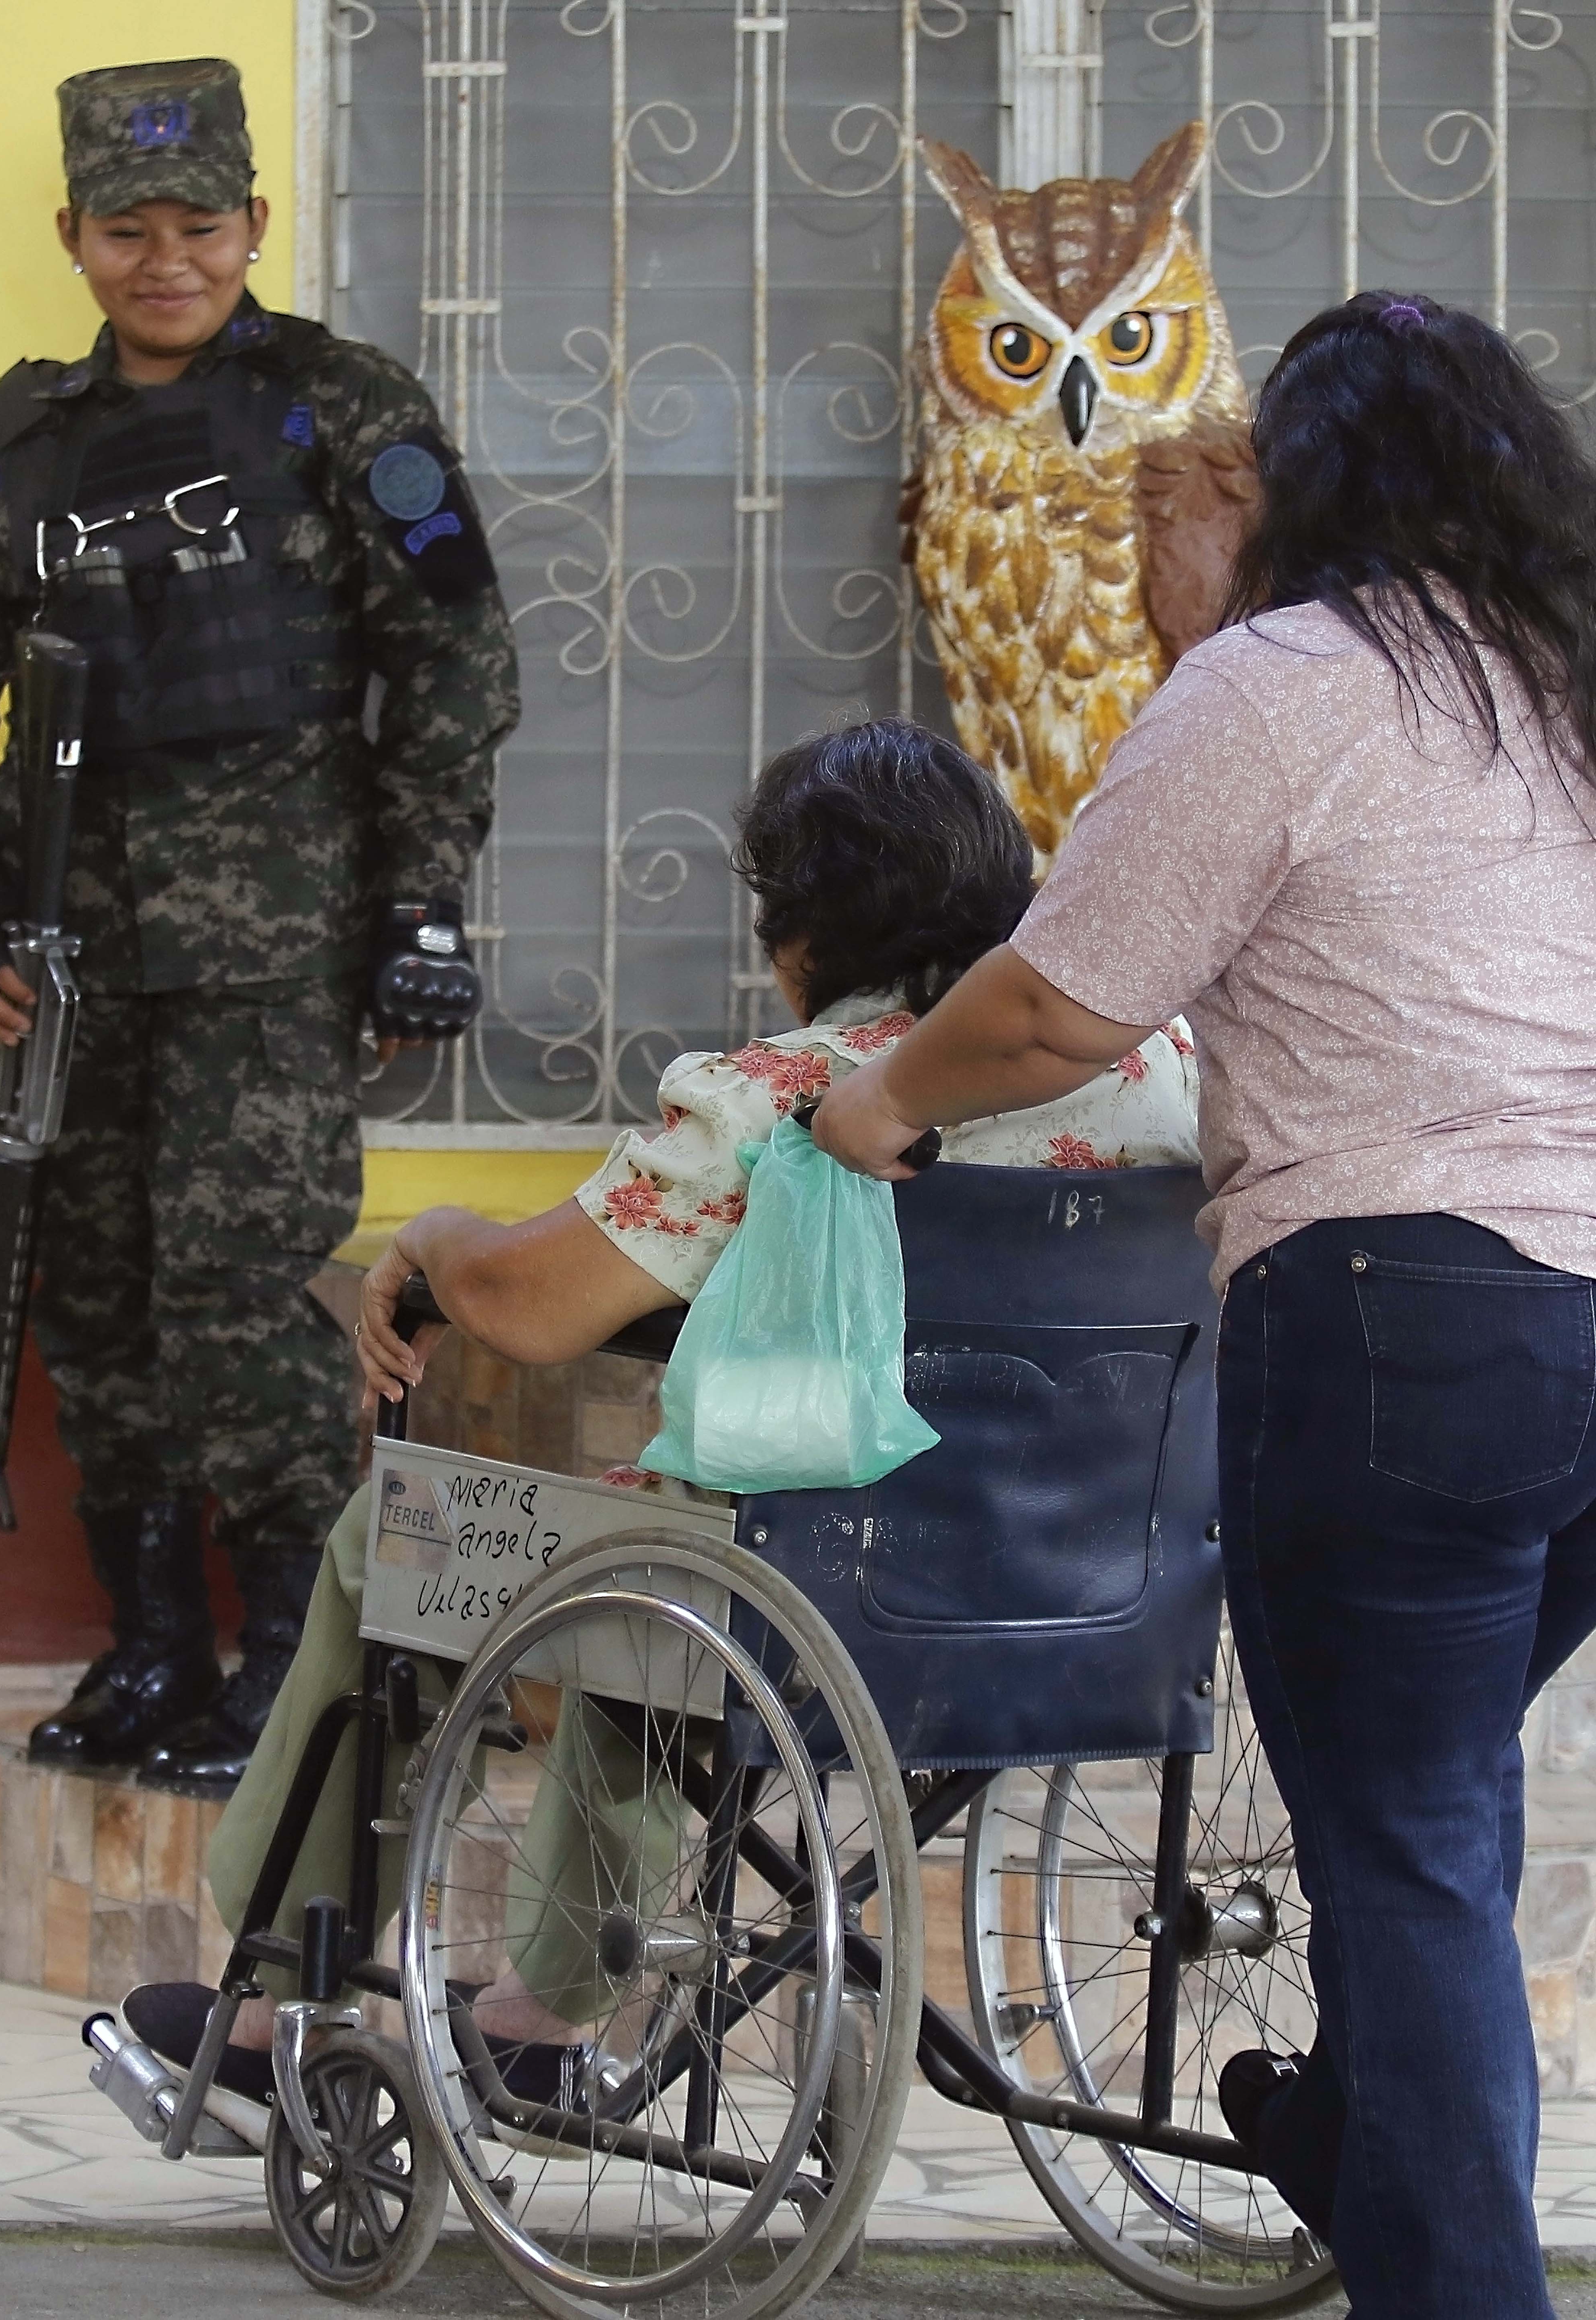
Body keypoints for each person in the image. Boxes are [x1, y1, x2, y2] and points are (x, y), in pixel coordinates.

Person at [813, 292, 1596, 2318]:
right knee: (1422, 1782)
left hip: (1428, 1321)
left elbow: (1058, 1004)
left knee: (1408, 1816)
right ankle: (1358, 2136)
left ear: (1320, 487)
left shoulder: (1286, 681)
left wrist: (877, 1096)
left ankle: (1456, 2284)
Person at [107, 716, 1204, 2097]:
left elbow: (527, 1308)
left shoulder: (785, 1098)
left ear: (798, 930)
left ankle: (279, 1997)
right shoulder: (1154, 1075)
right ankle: (536, 2010)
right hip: (1090, 1591)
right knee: (647, 1534)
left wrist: (438, 1234)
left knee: (406, 1541)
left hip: (799, 1600)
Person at [0, 59, 518, 1788]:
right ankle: (156, 1646)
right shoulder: (15, 445)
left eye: (203, 227)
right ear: (71, 237)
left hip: (272, 956)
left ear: (253, 224)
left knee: (240, 1311)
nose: (168, 261)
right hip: (63, 974)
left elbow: (455, 660)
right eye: (127, 230)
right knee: (95, 1314)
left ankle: (297, 1676)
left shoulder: (342, 410)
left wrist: (419, 903)